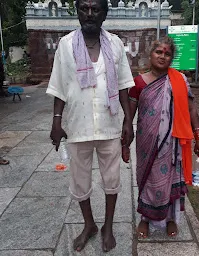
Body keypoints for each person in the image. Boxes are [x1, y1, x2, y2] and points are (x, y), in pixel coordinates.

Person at [46, 0, 134, 252]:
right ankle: (89, 225)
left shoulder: (115, 44)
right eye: (84, 8)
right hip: (77, 125)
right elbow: (60, 86)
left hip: (109, 124)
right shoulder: (65, 45)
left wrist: (129, 121)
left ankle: (107, 226)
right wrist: (56, 122)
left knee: (112, 178)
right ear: (77, 11)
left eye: (95, 9)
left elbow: (124, 86)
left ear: (104, 14)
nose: (89, 14)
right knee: (79, 181)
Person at [129, 37, 199, 238]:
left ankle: (171, 219)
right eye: (159, 52)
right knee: (147, 180)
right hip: (147, 144)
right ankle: (144, 219)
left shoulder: (179, 80)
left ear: (172, 58)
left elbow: (191, 109)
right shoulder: (138, 82)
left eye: (167, 53)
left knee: (171, 179)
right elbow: (129, 115)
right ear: (151, 54)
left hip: (173, 143)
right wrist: (124, 138)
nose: (163, 56)